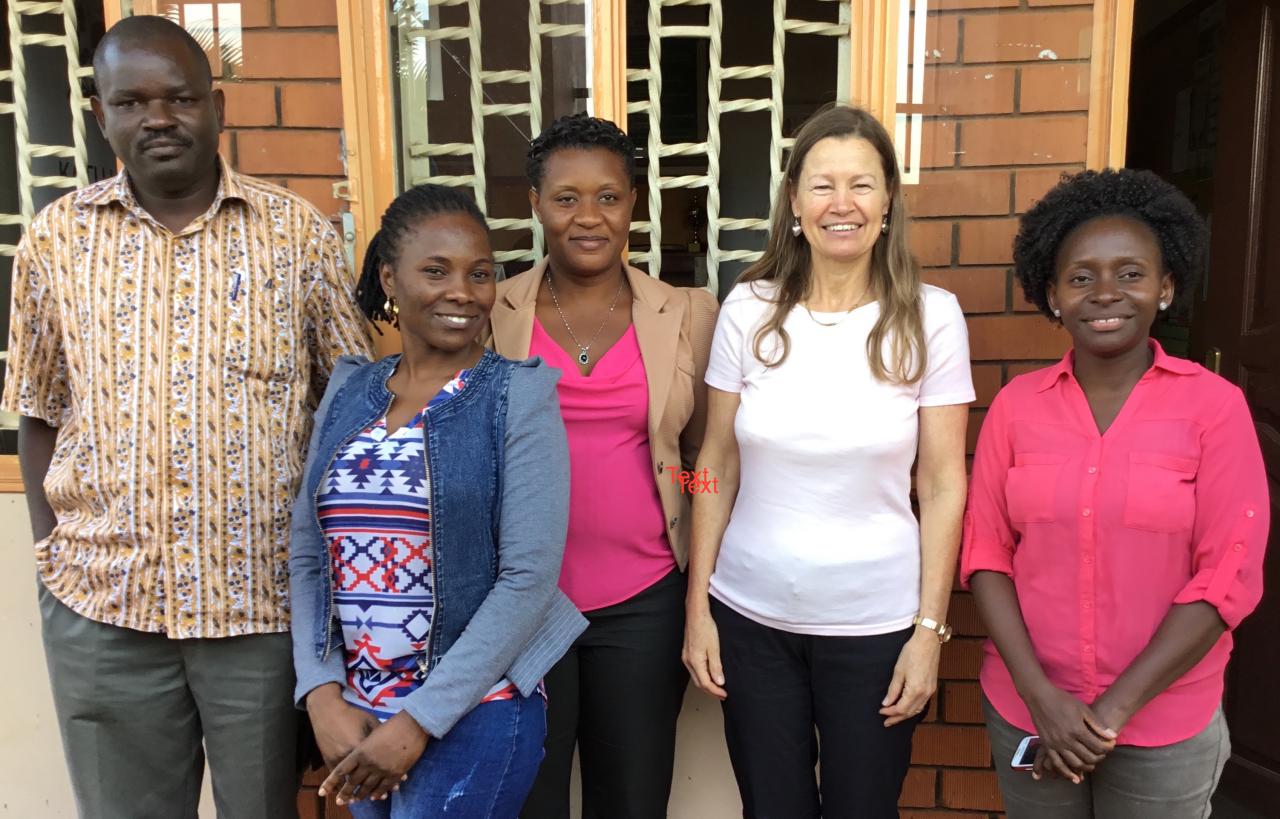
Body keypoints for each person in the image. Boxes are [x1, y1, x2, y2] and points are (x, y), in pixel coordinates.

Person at [2, 16, 373, 819]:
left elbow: (351, 410)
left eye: (180, 97)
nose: (158, 118)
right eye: (131, 101)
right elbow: (37, 410)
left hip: (260, 614)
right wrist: (50, 551)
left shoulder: (297, 238)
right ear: (101, 116)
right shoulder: (54, 241)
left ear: (217, 106)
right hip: (103, 609)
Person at [683, 104, 974, 818]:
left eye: (862, 185)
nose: (841, 204)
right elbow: (711, 464)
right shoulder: (748, 309)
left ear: (888, 203)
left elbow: (941, 484)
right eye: (822, 185)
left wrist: (929, 634)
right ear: (793, 201)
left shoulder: (931, 316)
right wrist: (699, 609)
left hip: (877, 627)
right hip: (751, 620)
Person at [962, 168, 1268, 818]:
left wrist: (1104, 716)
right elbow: (986, 555)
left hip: (1165, 722)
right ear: (1052, 293)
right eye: (1081, 277)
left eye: (1130, 273)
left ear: (1166, 286)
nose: (1106, 292)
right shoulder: (1016, 408)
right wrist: (1044, 699)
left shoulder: (1215, 408)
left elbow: (1226, 577)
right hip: (1030, 712)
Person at [290, 183, 587, 818]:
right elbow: (309, 554)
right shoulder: (349, 390)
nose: (463, 291)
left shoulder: (517, 397)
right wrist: (320, 691)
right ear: (388, 278)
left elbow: (528, 579)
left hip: (473, 718)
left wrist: (418, 721)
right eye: (437, 270)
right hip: (357, 719)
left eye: (480, 274)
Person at [488, 113, 717, 819]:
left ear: (633, 203)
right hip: (523, 602)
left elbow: (702, 462)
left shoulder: (686, 313)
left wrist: (689, 515)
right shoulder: (493, 312)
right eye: (566, 198)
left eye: (609, 197)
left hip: (644, 601)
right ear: (535, 204)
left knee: (633, 798)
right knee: (530, 795)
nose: (589, 217)